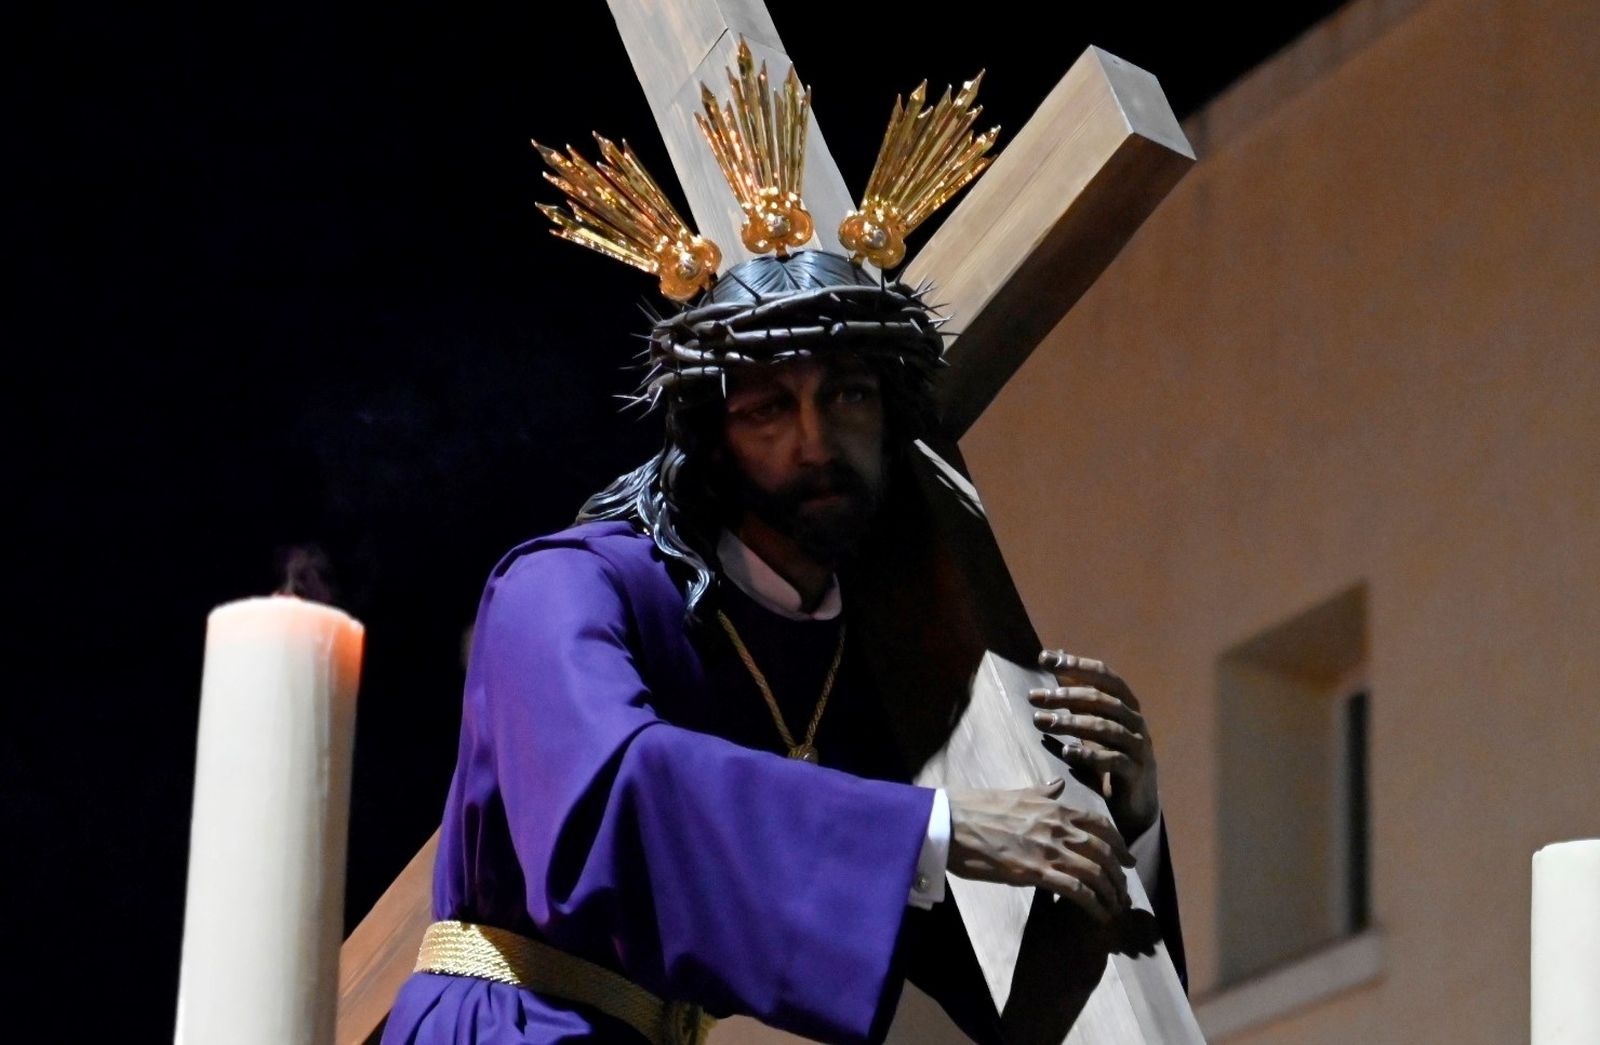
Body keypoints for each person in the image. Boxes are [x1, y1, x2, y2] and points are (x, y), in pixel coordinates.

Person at [383, 53, 1183, 1045]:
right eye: (768, 408)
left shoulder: (864, 671)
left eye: (845, 395)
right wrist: (935, 830)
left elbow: (995, 977)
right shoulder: (568, 585)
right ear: (712, 438)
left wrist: (1124, 819)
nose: (813, 440)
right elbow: (607, 796)